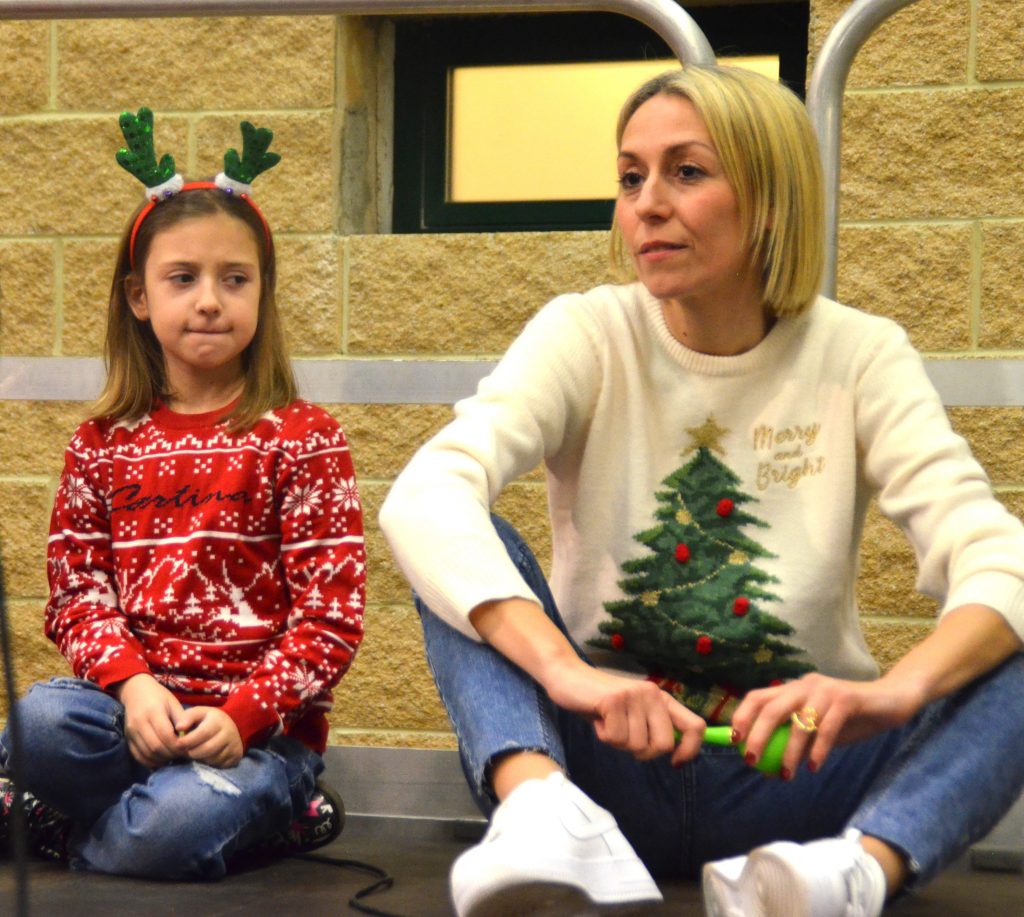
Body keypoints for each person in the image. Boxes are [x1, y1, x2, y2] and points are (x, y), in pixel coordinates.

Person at [379, 65, 1024, 917]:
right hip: (602, 767)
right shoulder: (587, 330)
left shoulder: (860, 353)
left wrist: (891, 691)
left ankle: (854, 873)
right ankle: (540, 812)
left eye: (686, 171)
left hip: (800, 778)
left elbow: (999, 555)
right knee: (465, 552)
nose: (647, 203)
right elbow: (424, 497)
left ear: (770, 199)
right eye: (629, 177)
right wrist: (569, 675)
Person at [0, 109, 366, 879]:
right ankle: (185, 817)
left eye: (235, 279)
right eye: (183, 278)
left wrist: (243, 715)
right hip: (129, 715)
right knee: (36, 722)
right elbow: (77, 596)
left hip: (257, 736)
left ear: (262, 292)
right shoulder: (100, 443)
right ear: (139, 297)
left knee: (174, 826)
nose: (209, 300)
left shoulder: (302, 438)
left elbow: (330, 619)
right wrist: (133, 686)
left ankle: (79, 829)